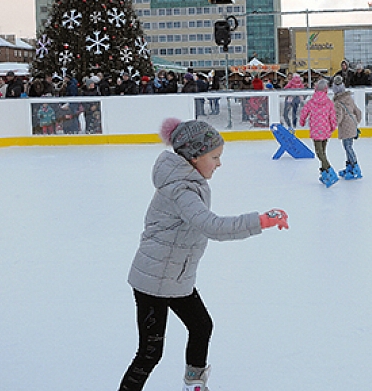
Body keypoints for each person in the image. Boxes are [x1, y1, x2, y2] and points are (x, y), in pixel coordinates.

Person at [118, 118, 288, 391]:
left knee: (201, 326)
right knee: (150, 353)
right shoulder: (181, 189)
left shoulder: (186, 180)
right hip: (153, 281)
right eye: (215, 157)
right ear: (195, 156)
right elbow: (213, 226)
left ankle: (194, 383)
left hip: (174, 276)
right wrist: (261, 220)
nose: (219, 163)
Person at [299, 78, 338, 187]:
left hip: (316, 130)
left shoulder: (311, 102)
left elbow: (304, 113)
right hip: (325, 130)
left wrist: (302, 122)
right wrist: (333, 126)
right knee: (323, 152)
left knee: (319, 153)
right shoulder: (329, 102)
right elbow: (332, 116)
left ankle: (330, 171)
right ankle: (325, 173)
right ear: (326, 89)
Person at [332, 75, 363, 179]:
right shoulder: (349, 98)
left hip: (345, 128)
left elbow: (338, 118)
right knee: (348, 147)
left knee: (348, 147)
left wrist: (331, 125)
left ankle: (355, 167)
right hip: (352, 125)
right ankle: (350, 167)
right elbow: (358, 111)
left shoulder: (337, 103)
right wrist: (355, 122)